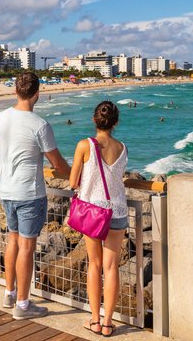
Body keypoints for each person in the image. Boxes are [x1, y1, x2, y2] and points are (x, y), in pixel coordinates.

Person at [0, 72, 70, 320]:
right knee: (26, 247)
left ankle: (10, 292)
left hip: (7, 192)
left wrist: (2, 177)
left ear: (16, 91)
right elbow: (57, 164)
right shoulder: (39, 124)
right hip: (29, 194)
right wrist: (78, 176)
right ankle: (23, 305)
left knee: (12, 241)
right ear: (37, 93)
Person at [69, 101, 128, 337]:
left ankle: (94, 320)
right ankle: (108, 323)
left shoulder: (85, 145)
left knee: (94, 264)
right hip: (118, 211)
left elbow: (74, 182)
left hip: (94, 212)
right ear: (116, 123)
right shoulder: (123, 148)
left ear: (95, 120)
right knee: (111, 267)